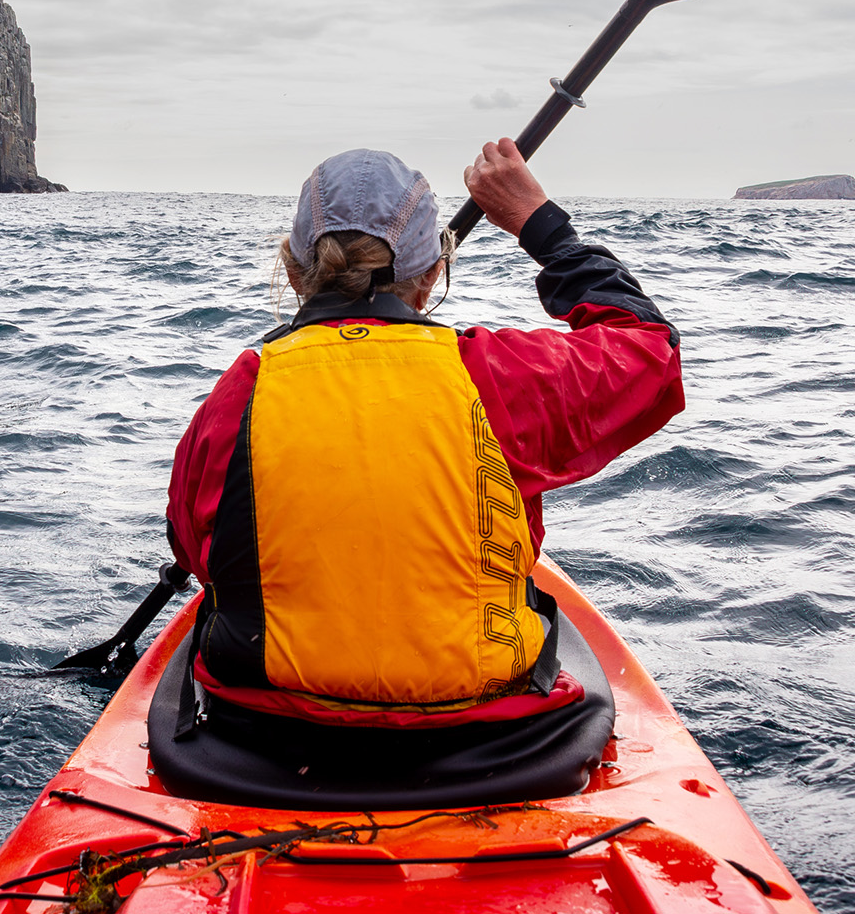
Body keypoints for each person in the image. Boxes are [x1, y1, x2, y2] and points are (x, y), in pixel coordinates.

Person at [165, 139, 683, 729]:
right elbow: (650, 351)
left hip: (269, 727)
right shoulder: (495, 377)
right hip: (487, 733)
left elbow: (192, 549)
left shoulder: (240, 392)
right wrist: (541, 226)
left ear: (291, 268)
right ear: (435, 271)